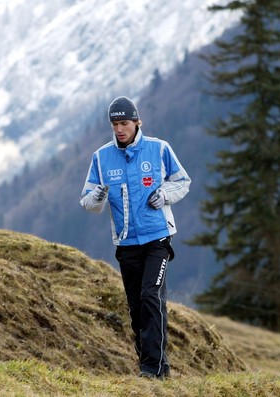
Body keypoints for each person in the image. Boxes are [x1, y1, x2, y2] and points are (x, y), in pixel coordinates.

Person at [80, 96, 191, 379]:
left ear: (137, 122)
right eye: (115, 124)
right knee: (136, 307)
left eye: (125, 123)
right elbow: (88, 202)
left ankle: (150, 369)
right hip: (126, 244)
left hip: (158, 239)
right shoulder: (101, 157)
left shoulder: (159, 148)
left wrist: (164, 194)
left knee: (151, 296)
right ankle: (157, 368)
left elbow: (183, 182)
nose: (119, 129)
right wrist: (98, 196)